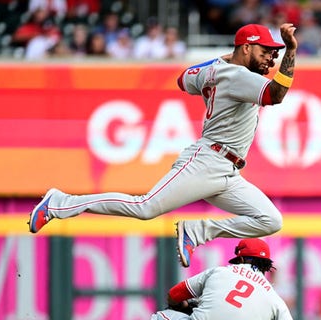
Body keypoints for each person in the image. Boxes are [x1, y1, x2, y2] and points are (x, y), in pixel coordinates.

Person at [28, 23, 298, 268]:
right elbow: (276, 94)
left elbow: (184, 79)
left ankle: (197, 232)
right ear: (246, 47)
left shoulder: (216, 70)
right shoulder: (237, 76)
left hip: (228, 172)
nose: (271, 58)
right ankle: (60, 203)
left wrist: (223, 59)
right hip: (208, 161)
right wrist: (291, 51)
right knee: (144, 207)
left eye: (275, 53)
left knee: (270, 220)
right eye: (266, 51)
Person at [151, 238, 293, 320]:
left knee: (160, 317)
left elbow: (174, 295)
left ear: (241, 258)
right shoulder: (275, 300)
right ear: (267, 266)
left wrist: (184, 306)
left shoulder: (219, 271)